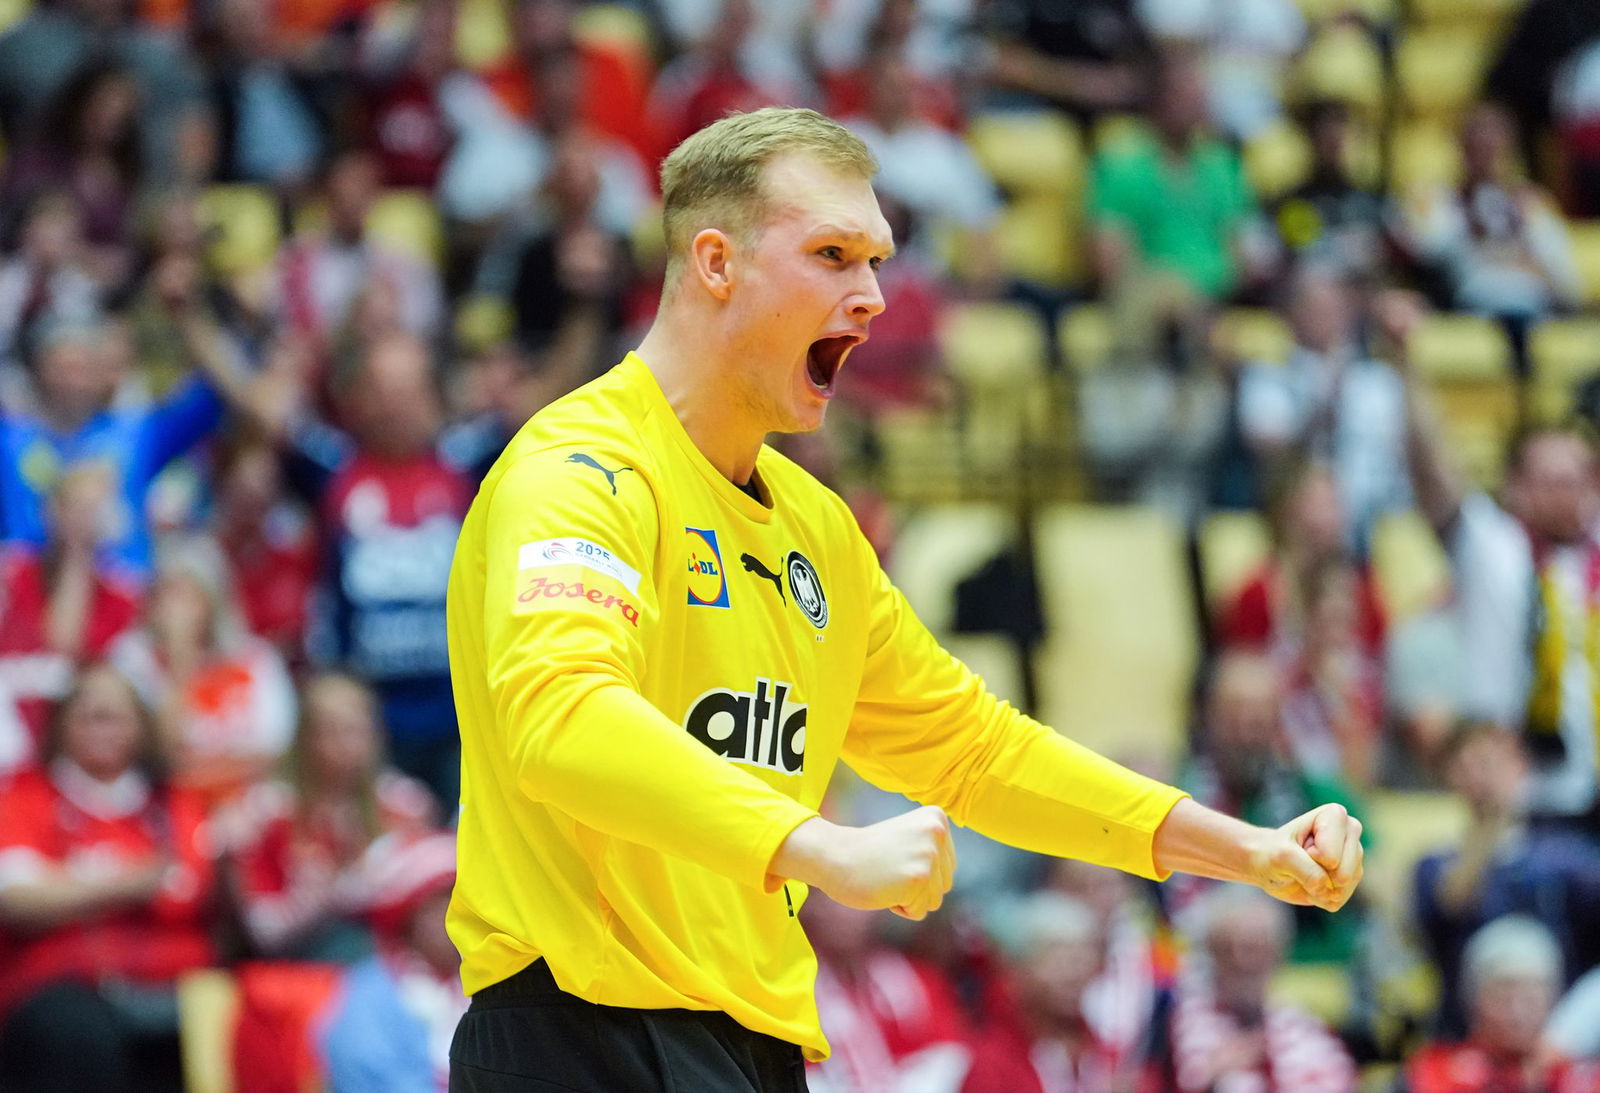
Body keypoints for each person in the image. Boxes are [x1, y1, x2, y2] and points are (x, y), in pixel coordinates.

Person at [445, 107, 1364, 1092]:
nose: (875, 296)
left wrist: (1247, 849)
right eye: (833, 255)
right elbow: (562, 720)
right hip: (578, 1036)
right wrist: (819, 847)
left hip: (748, 1042)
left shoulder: (817, 530)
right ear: (715, 262)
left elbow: (978, 752)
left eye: (877, 259)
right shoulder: (580, 470)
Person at [1401, 310, 1600, 825]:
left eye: (1577, 479)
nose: (1567, 493)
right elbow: (1433, 475)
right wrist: (1406, 365)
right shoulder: (1493, 546)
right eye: (1549, 480)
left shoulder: (1593, 553)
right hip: (1517, 792)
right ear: (1515, 486)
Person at [0, 663, 215, 1093]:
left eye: (116, 715)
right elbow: (17, 900)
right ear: (60, 724)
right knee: (78, 1032)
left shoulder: (172, 804)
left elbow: (185, 894)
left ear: (141, 726)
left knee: (221, 1023)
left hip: (172, 982)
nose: (104, 727)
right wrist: (129, 881)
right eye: (89, 714)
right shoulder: (25, 797)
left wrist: (72, 882)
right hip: (59, 987)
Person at [1412, 722, 1600, 1036]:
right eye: (1465, 767)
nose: (1480, 777)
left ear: (1519, 766)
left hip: (1558, 1034)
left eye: (1488, 763)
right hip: (1466, 1036)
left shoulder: (1565, 855)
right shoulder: (1434, 865)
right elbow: (1448, 909)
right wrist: (1489, 828)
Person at [1164, 888, 1356, 1093]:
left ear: (1279, 951)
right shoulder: (1171, 1023)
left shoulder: (1310, 1034)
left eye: (1254, 947)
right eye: (1227, 948)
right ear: (1211, 952)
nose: (1242, 961)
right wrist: (1209, 1079)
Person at [962, 892, 1149, 1093]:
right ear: (1018, 970)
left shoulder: (1113, 1060)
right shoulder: (992, 1062)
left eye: (1079, 960)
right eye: (1055, 960)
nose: (1070, 974)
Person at [1403, 916, 1600, 1093]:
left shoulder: (1581, 1079)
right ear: (1474, 999)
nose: (1518, 1010)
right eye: (1504, 995)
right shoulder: (1436, 1074)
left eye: (1531, 996)